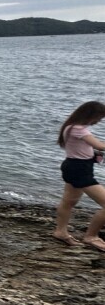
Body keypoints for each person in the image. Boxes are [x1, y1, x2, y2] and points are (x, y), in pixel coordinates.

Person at [54, 101, 105, 251]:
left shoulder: (72, 127)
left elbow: (85, 148)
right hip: (79, 170)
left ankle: (60, 232)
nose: (99, 121)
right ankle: (91, 236)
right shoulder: (78, 129)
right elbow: (100, 145)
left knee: (69, 201)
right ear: (90, 115)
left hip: (75, 166)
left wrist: (93, 155)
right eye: (99, 117)